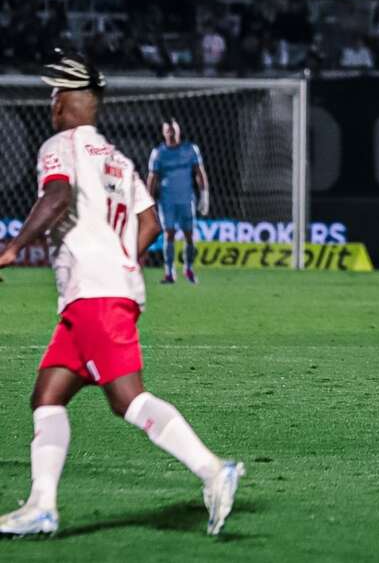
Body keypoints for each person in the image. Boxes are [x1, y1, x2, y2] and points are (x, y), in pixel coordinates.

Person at [0, 52, 242, 537]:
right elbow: (150, 223)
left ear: (67, 102)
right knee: (47, 394)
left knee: (127, 399)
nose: (51, 104)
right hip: (101, 293)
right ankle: (42, 505)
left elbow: (56, 196)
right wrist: (119, 258)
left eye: (55, 96)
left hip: (94, 293)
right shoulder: (117, 159)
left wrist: (13, 247)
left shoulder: (60, 145)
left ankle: (214, 470)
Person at [147, 119, 209, 284]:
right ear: (163, 133)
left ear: (179, 130)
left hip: (186, 200)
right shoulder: (158, 153)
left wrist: (204, 195)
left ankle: (188, 269)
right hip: (167, 201)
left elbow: (199, 172)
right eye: (168, 131)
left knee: (189, 235)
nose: (171, 133)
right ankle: (169, 272)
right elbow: (152, 178)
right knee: (169, 234)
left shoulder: (190, 150)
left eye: (173, 130)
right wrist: (148, 201)